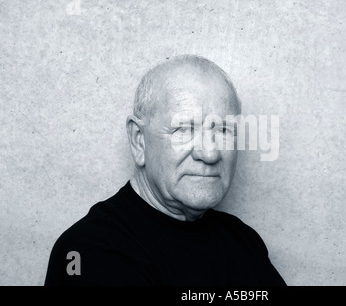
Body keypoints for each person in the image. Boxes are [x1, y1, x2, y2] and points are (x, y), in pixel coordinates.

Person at [44, 55, 286, 286]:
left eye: (223, 130)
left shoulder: (243, 240)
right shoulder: (89, 252)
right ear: (139, 141)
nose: (210, 153)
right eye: (184, 129)